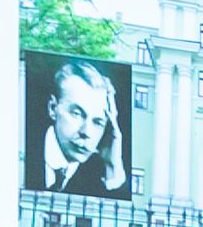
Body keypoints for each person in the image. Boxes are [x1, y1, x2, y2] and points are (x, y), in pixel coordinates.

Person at [25, 55, 128, 198]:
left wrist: (113, 166)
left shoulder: (96, 177)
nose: (86, 132)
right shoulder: (24, 148)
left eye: (98, 122)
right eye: (77, 114)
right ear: (53, 108)